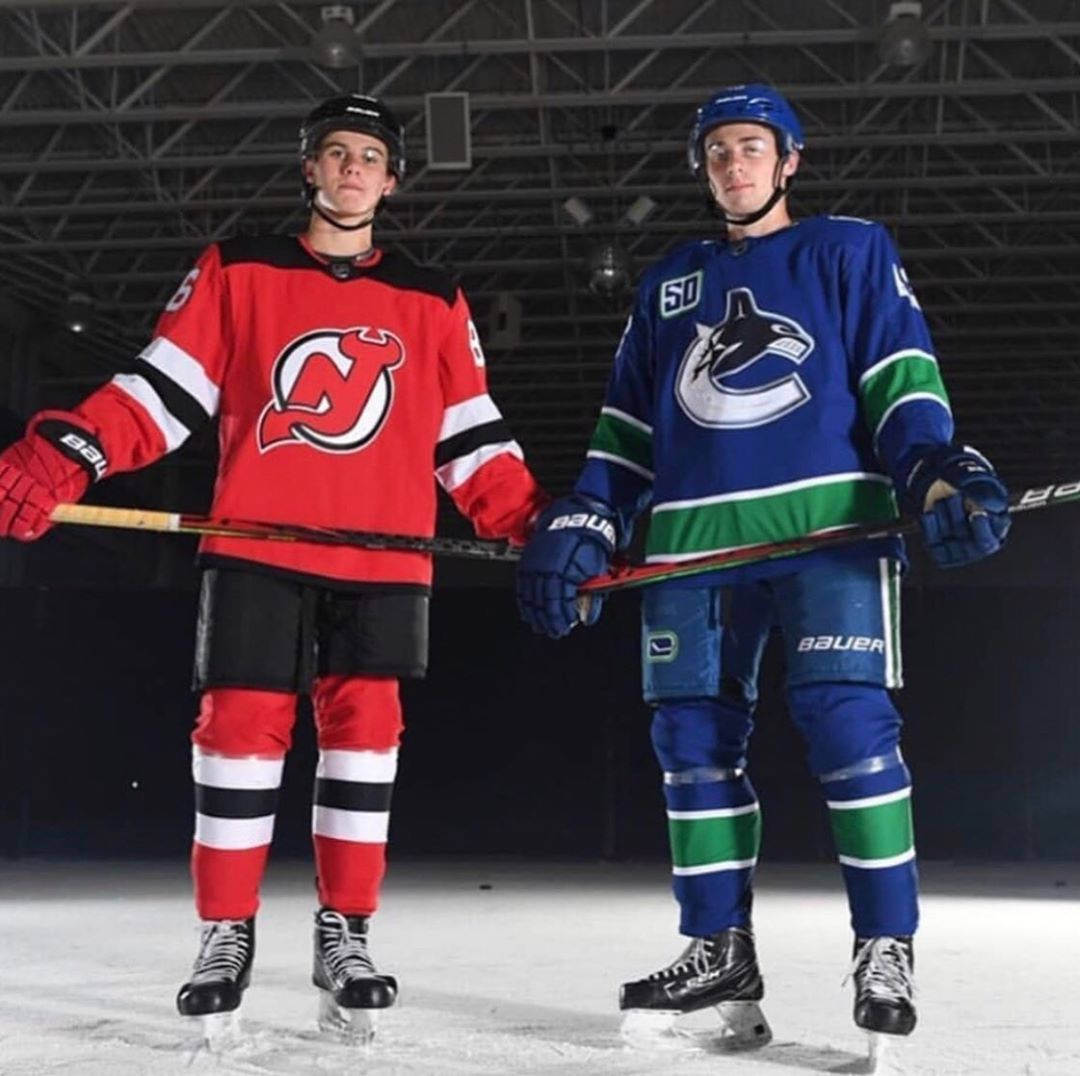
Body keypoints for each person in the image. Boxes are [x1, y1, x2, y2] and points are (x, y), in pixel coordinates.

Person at [0, 93, 547, 1045]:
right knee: (237, 738)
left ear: (392, 179)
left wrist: (540, 524)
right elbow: (161, 393)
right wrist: (72, 450)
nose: (350, 170)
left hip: (383, 560)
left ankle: (348, 932)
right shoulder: (239, 268)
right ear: (310, 168)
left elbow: (471, 441)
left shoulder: (431, 295)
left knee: (366, 741)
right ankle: (225, 934)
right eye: (334, 153)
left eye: (368, 157)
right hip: (256, 547)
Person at [515, 84, 1009, 1057]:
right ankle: (718, 953)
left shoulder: (849, 250)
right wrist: (586, 514)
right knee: (690, 744)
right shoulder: (667, 285)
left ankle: (885, 946)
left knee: (850, 729)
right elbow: (627, 432)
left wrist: (939, 466)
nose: (733, 166)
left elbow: (898, 380)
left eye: (751, 147)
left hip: (827, 532)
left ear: (790, 159)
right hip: (694, 548)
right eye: (716, 152)